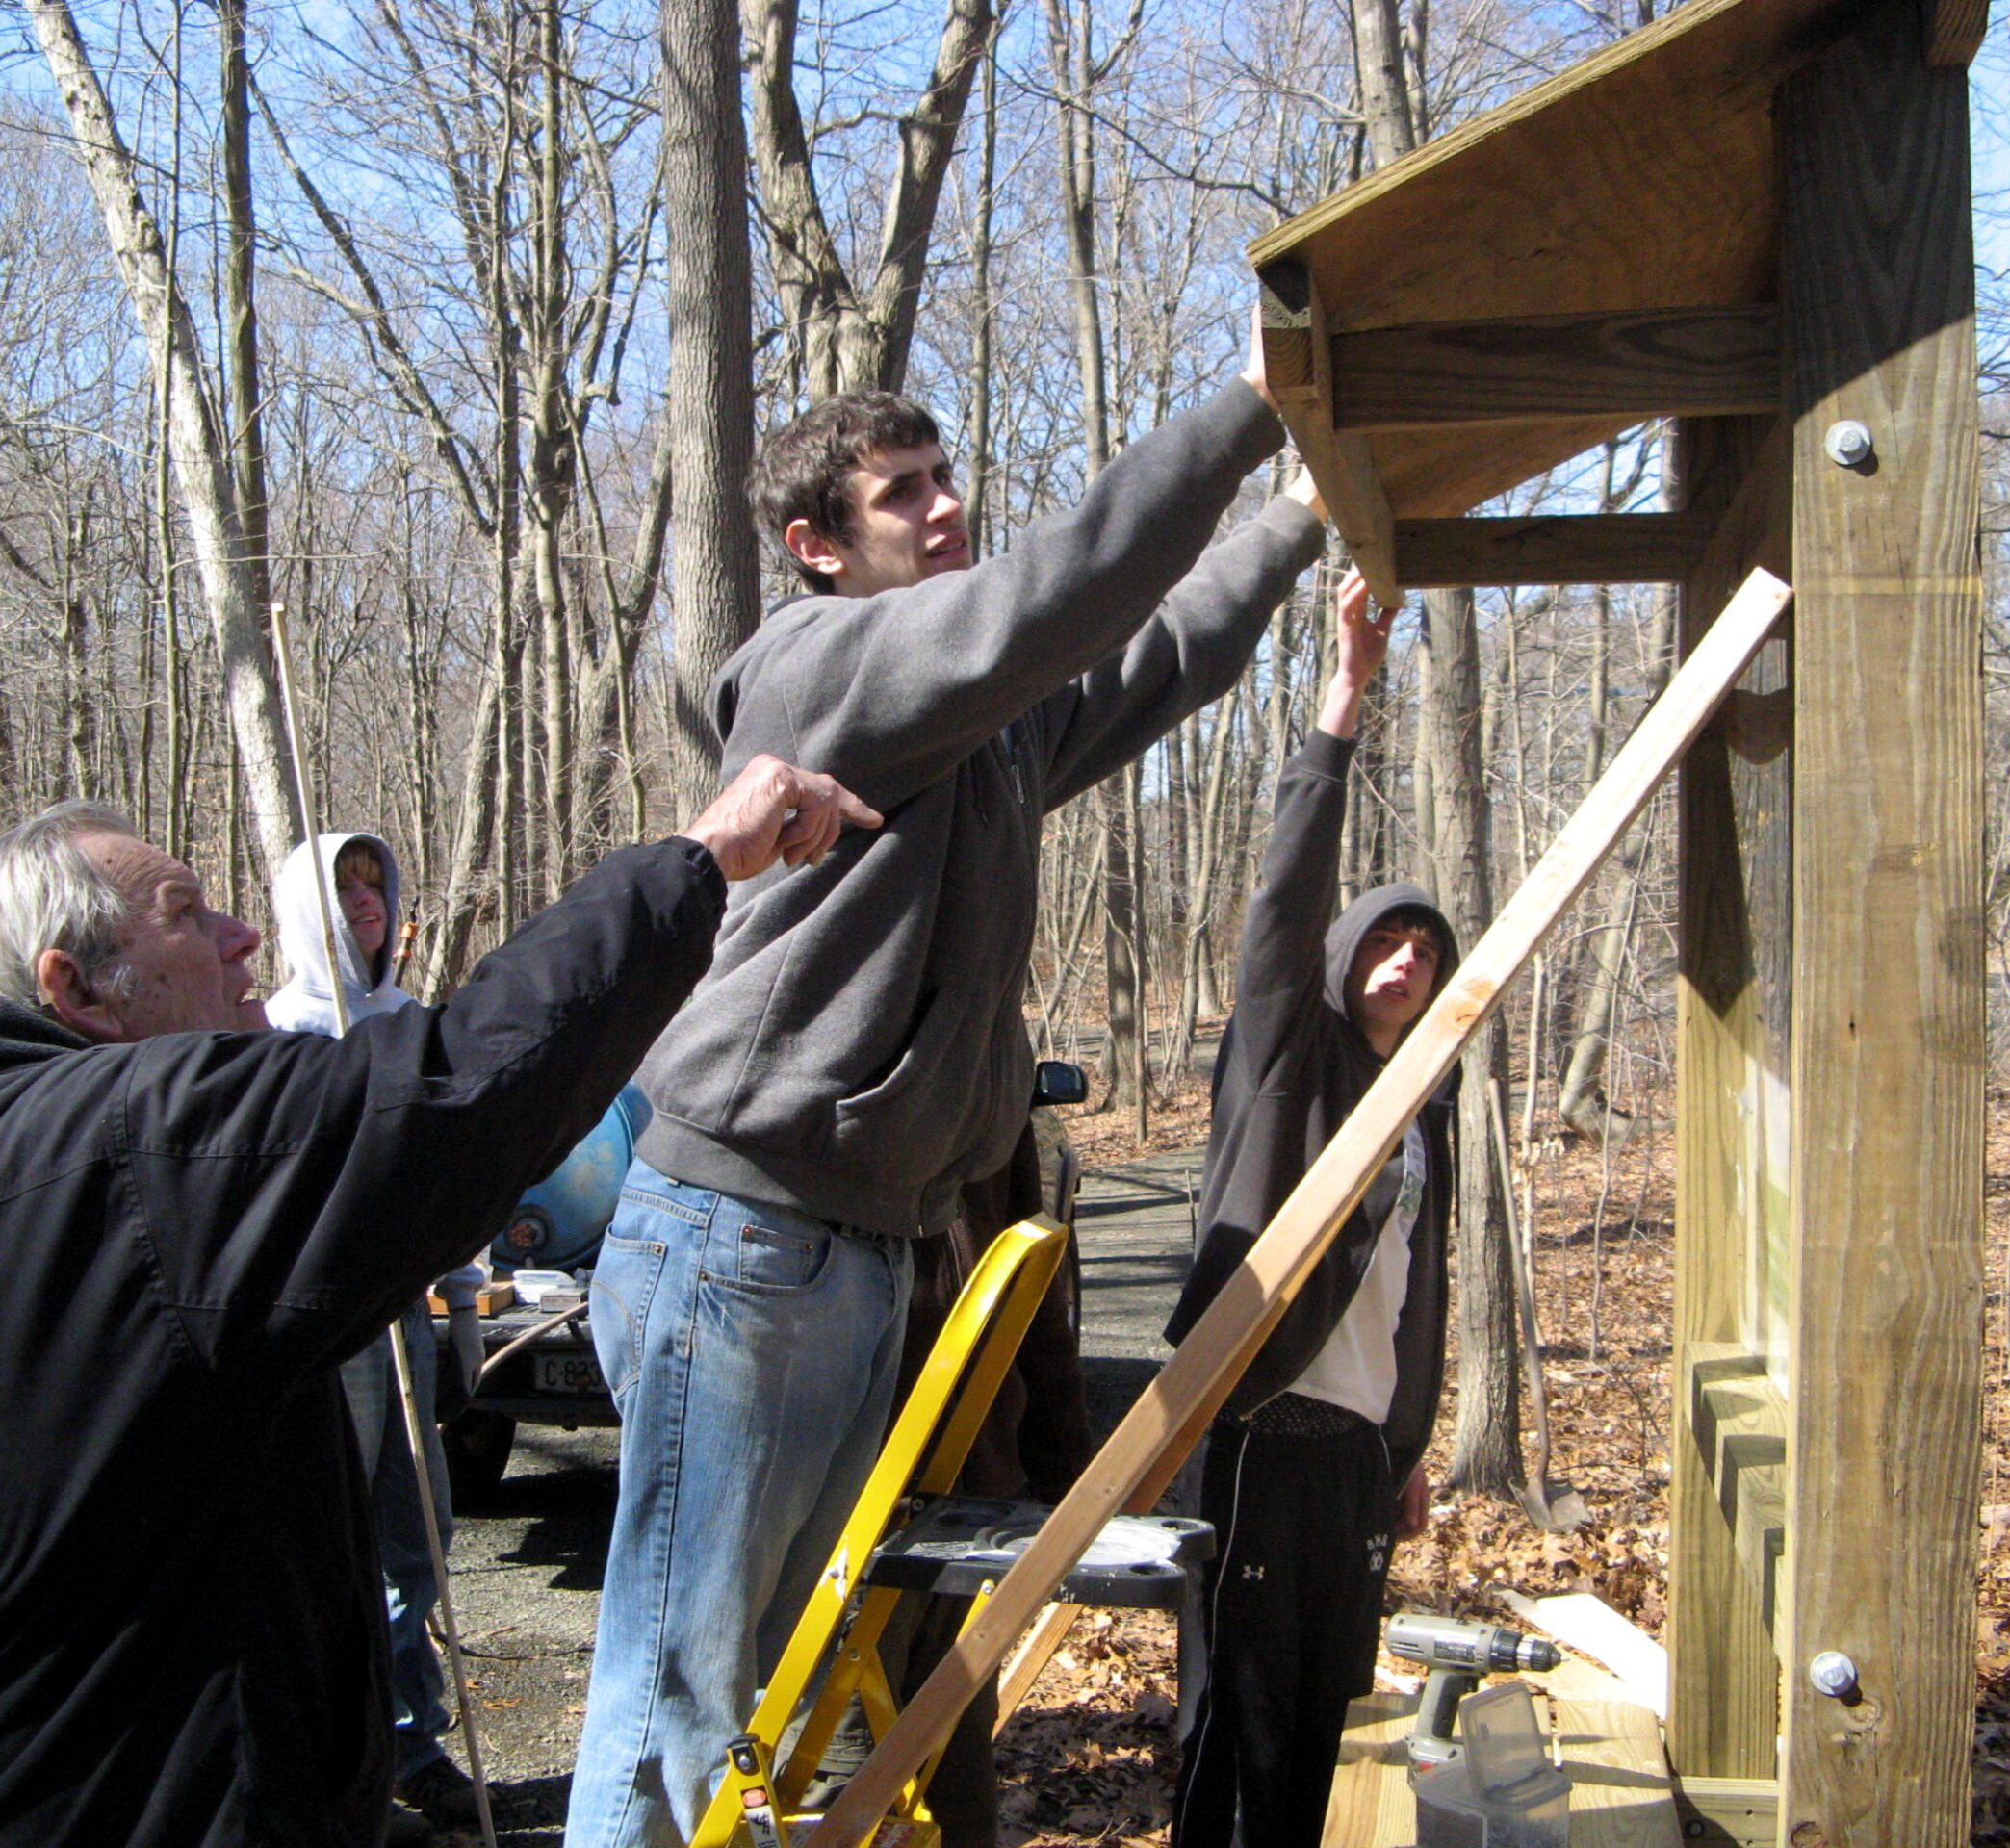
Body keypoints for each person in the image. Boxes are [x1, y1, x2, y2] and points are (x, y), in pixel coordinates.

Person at [0, 756, 876, 1848]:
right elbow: (453, 1092)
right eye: (187, 913)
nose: (241, 937)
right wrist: (696, 863)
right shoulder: (119, 1148)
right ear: (74, 990)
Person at [566, 319, 1327, 1848]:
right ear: (816, 548)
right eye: (901, 493)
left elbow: (1155, 657)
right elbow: (1051, 602)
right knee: (674, 1703)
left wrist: (1299, 522)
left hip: (851, 1252)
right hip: (735, 1246)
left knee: (777, 1693)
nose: (943, 507)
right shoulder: (822, 671)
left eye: (945, 476)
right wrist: (1251, 408)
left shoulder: (973, 727)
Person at [1162, 570, 1459, 1848]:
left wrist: (1401, 1446)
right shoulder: (1290, 1058)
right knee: (1242, 1724)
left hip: (1349, 1465)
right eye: (1387, 942)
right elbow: (1285, 893)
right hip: (1260, 1440)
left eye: (1429, 954)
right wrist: (1344, 692)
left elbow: (1413, 1294)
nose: (1406, 964)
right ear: (1347, 958)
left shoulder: (1421, 1110)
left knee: (1331, 1729)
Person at [266, 829, 486, 1834]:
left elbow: (451, 1175)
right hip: (327, 1325)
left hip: (405, 1312)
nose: (364, 903)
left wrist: (467, 1294)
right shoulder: (278, 1033)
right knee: (333, 1539)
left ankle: (412, 1736)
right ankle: (335, 1758)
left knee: (421, 1537)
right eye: (343, 889)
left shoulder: (410, 1023)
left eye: (374, 886)